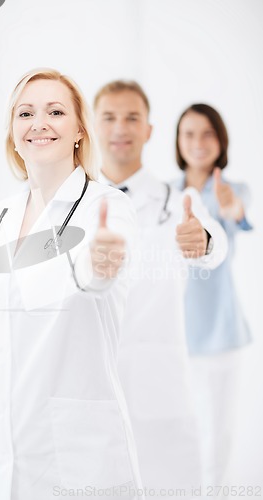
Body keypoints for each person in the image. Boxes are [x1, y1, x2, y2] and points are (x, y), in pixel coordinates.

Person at [0, 69, 144, 500]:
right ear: (13, 135)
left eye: (56, 111)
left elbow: (98, 277)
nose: (39, 122)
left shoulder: (107, 207)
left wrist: (102, 264)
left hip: (76, 457)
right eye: (25, 113)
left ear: (78, 131)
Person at [93, 81, 228, 498]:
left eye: (132, 117)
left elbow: (215, 243)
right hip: (93, 384)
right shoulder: (73, 204)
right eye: (110, 117)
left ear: (149, 130)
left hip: (159, 382)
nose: (121, 128)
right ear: (91, 127)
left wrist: (202, 239)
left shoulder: (179, 201)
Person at [172, 103, 253, 489]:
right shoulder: (165, 194)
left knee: (218, 433)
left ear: (220, 140)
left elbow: (239, 214)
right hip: (175, 334)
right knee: (181, 431)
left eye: (207, 133)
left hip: (221, 332)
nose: (198, 143)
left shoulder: (233, 191)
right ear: (177, 141)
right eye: (188, 133)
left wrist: (231, 209)